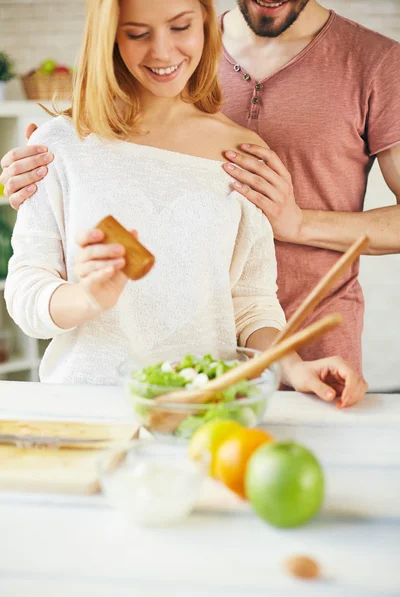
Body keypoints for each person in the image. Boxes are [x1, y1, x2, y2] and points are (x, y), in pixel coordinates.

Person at [2, 0, 399, 377]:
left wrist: (292, 367)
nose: (161, 52)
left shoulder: (242, 151)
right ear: (110, 37)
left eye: (180, 27)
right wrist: (86, 298)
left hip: (205, 403)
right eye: (137, 33)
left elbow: (250, 304)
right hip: (89, 407)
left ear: (205, 26)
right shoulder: (60, 144)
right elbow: (26, 291)